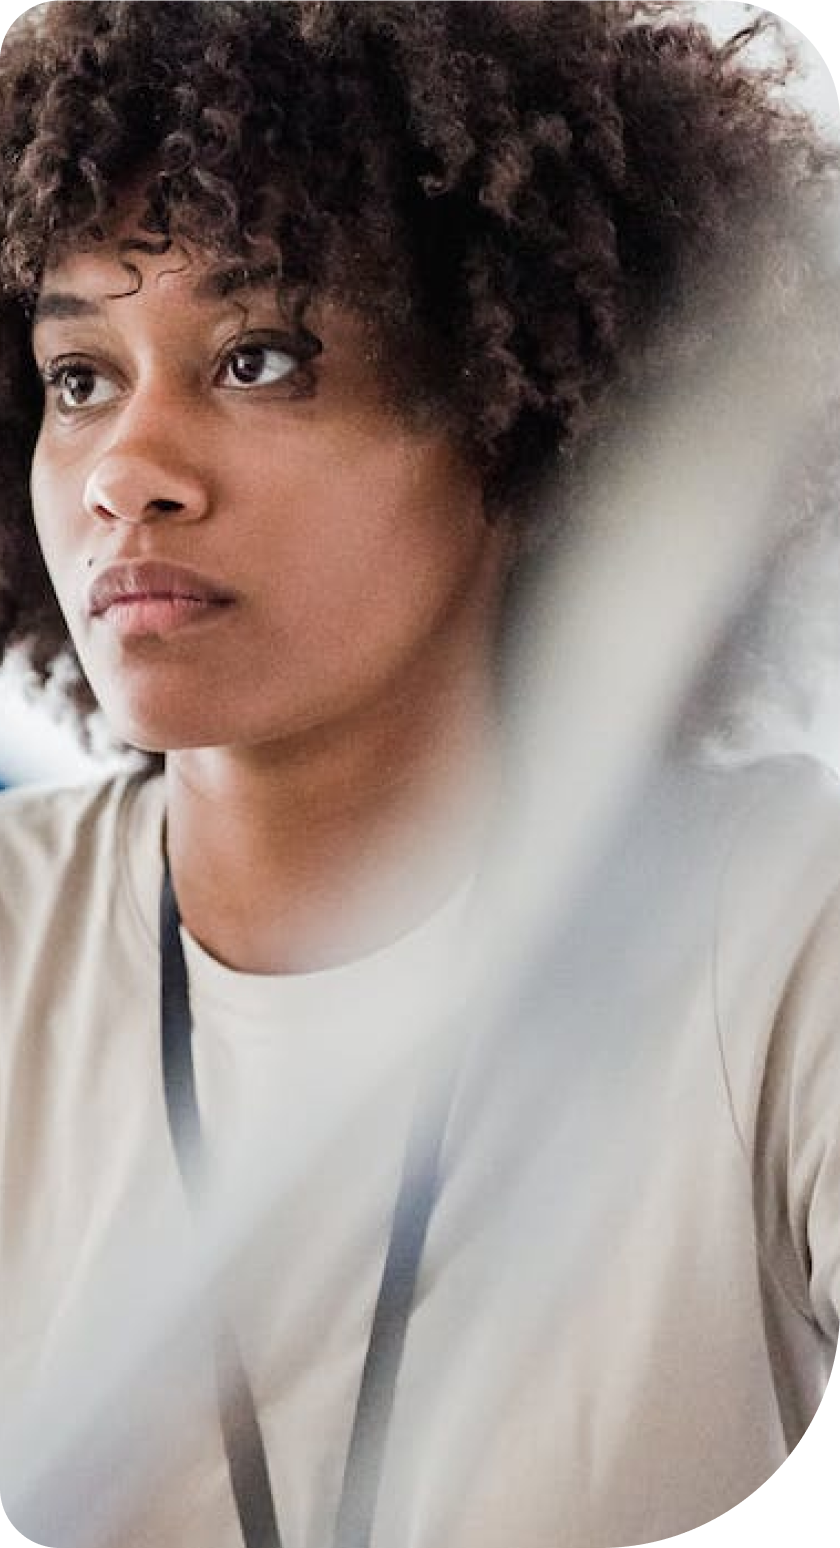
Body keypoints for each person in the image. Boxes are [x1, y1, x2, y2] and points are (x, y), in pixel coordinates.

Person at [0, 1, 838, 1544]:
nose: (128, 470)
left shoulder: (779, 927)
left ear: (524, 428)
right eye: (77, 377)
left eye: (258, 360)